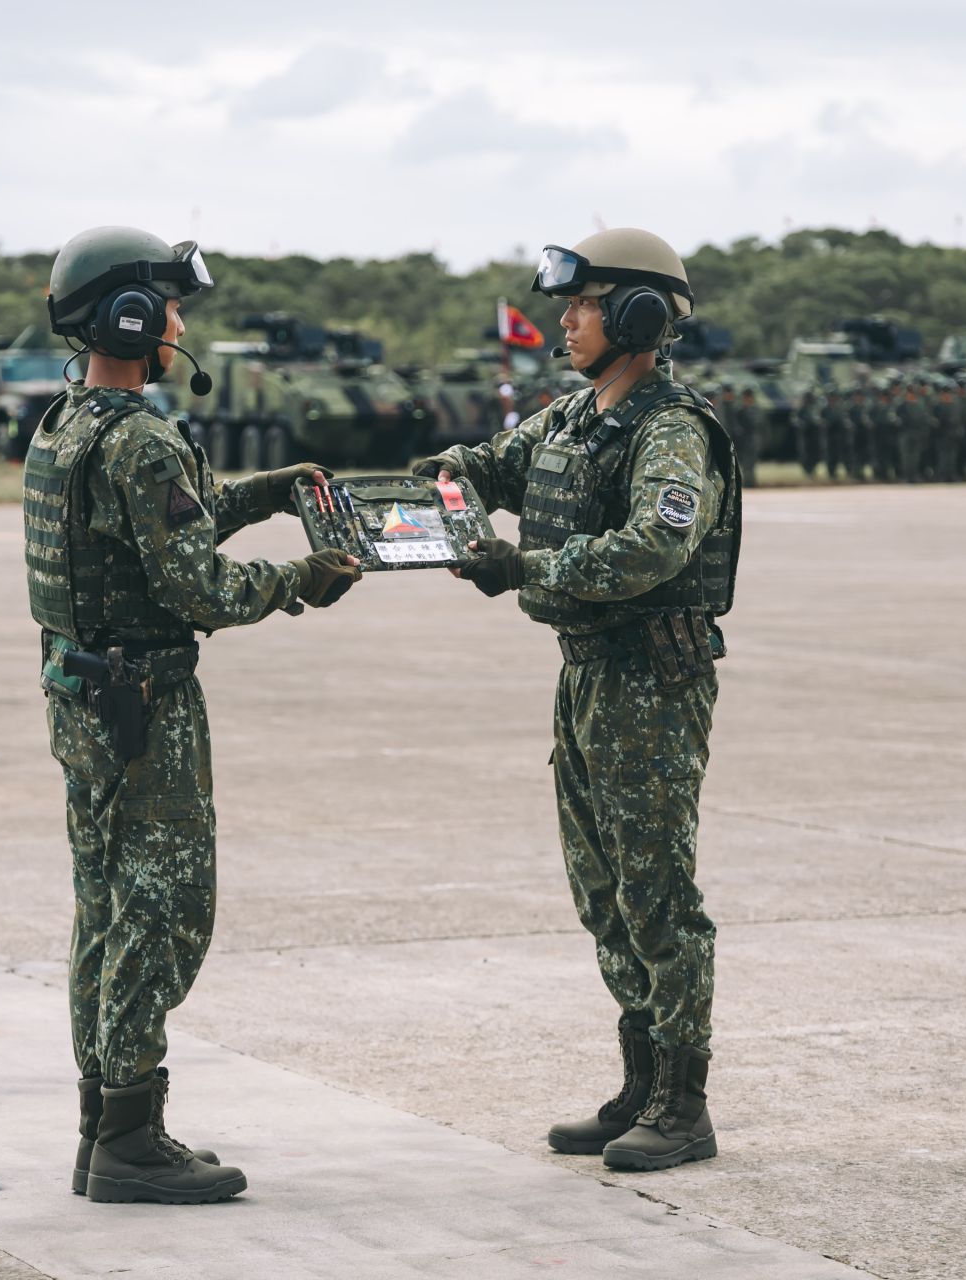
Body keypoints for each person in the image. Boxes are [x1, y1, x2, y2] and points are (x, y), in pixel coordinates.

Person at [31, 225, 361, 1206]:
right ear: (132, 316)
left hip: (82, 692)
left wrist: (263, 494)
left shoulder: (66, 423)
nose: (180, 324)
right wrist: (301, 578)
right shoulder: (139, 435)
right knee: (164, 906)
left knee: (104, 904)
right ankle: (131, 1135)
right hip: (145, 703)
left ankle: (105, 1119)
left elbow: (155, 536)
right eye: (170, 306)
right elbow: (196, 585)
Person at [415, 228, 738, 1173]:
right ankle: (640, 1082)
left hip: (650, 677)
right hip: (587, 670)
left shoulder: (671, 429)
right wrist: (447, 484)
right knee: (602, 888)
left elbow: (653, 548)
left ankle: (684, 1103)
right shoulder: (570, 418)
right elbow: (483, 463)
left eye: (585, 305)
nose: (566, 320)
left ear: (636, 318)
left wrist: (522, 562)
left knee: (656, 889)